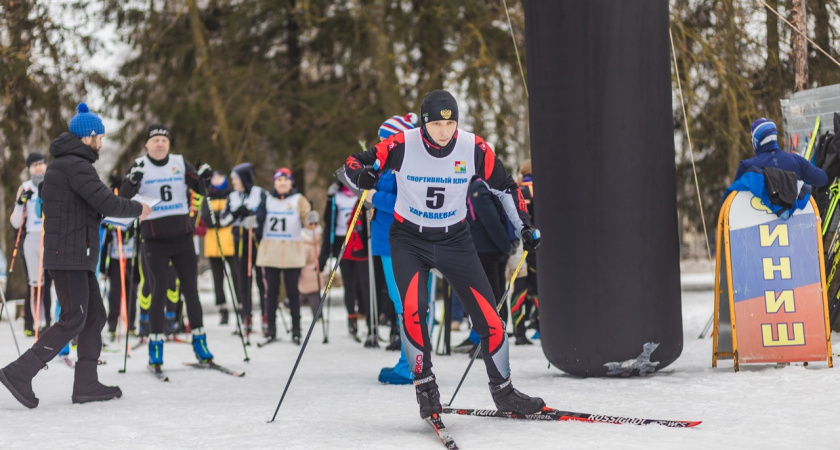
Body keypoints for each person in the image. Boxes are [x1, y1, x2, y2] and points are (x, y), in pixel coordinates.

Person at [343, 90, 544, 420]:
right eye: (436, 123)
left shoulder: (473, 147)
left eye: (450, 123)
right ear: (424, 123)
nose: (443, 131)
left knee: (490, 319)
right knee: (413, 310)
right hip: (409, 239)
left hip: (455, 240)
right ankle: (426, 389)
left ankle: (505, 392)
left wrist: (523, 225)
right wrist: (361, 175)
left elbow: (506, 186)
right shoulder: (403, 144)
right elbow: (354, 163)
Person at [0, 103, 151, 408]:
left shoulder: (66, 165)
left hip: (74, 254)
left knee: (94, 316)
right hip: (68, 255)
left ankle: (86, 384)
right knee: (74, 318)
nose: (102, 143)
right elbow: (105, 201)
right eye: (100, 137)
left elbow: (86, 204)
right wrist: (138, 209)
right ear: (88, 137)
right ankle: (20, 372)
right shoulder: (74, 165)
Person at [119, 124, 214, 367]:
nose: (160, 143)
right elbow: (123, 197)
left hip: (182, 238)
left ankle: (200, 342)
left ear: (168, 144)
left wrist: (206, 177)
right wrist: (132, 181)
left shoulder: (180, 163)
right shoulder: (140, 165)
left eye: (164, 139)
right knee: (158, 291)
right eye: (155, 140)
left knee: (190, 290)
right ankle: (155, 346)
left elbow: (202, 188)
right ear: (147, 145)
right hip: (154, 240)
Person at [371, 114, 418, 385]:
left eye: (385, 139)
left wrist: (374, 198)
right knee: (401, 301)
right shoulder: (390, 165)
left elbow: (405, 199)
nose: (381, 144)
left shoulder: (407, 164)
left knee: (407, 303)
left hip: (398, 240)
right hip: (385, 240)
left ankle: (411, 364)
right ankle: (411, 360)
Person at [255, 168, 312, 344]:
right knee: (270, 291)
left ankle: (296, 330)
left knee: (293, 292)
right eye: (279, 180)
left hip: (292, 252)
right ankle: (270, 329)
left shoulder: (298, 199)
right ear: (274, 183)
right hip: (270, 251)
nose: (282, 183)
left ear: (291, 183)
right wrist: (253, 221)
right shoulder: (267, 199)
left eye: (285, 180)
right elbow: (258, 219)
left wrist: (311, 219)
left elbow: (307, 217)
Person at [319, 181, 371, 342]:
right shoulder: (336, 195)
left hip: (360, 241)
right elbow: (328, 220)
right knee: (349, 284)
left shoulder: (363, 193)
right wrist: (329, 198)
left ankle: (371, 323)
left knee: (365, 283)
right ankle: (352, 319)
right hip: (343, 241)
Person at [9, 153, 53, 336]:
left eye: (41, 164)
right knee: (34, 283)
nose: (39, 168)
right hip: (31, 239)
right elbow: (15, 222)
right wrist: (20, 203)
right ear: (29, 168)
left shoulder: (52, 184)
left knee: (47, 283)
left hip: (48, 237)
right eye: (34, 165)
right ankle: (31, 322)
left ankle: (47, 323)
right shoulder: (25, 187)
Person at [223, 162, 266, 336]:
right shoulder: (232, 196)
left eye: (236, 179)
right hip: (240, 242)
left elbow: (263, 217)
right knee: (243, 281)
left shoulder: (259, 193)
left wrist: (251, 216)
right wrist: (235, 214)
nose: (234, 183)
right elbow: (223, 220)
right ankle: (245, 317)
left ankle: (266, 317)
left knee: (262, 282)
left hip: (256, 241)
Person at [734, 118, 828, 186]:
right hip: (792, 212)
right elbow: (822, 179)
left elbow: (732, 200)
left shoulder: (747, 166)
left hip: (757, 212)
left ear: (756, 140)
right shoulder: (796, 161)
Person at [201, 171, 235, 325]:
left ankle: (240, 304)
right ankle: (222, 308)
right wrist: (219, 218)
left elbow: (230, 216)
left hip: (229, 242)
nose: (216, 180)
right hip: (213, 244)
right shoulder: (207, 197)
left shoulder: (231, 195)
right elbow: (207, 219)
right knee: (217, 279)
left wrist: (219, 218)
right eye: (214, 178)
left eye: (220, 177)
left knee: (236, 276)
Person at [512, 159, 539, 343]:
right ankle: (540, 327)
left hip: (519, 244)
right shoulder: (540, 189)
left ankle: (519, 329)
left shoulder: (517, 190)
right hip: (537, 244)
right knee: (537, 287)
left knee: (519, 288)